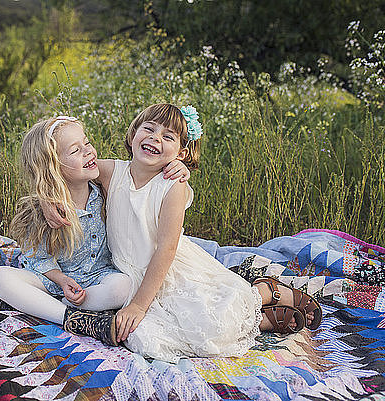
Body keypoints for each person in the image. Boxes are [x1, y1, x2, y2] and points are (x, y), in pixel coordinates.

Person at [44, 104, 322, 362]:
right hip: (128, 276)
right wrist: (46, 200)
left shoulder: (172, 186)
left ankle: (261, 296)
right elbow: (67, 170)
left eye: (168, 137)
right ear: (132, 135)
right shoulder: (110, 171)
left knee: (207, 323)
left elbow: (166, 249)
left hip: (168, 270)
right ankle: (259, 316)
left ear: (181, 153)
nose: (155, 139)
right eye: (149, 129)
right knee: (143, 338)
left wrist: (140, 306)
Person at [0, 116, 190, 346]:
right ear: (53, 166)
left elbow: (143, 171)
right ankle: (69, 318)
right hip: (54, 280)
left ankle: (44, 305)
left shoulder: (103, 189)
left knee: (122, 288)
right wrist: (62, 280)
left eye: (87, 143)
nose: (89, 152)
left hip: (97, 279)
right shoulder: (46, 209)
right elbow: (38, 257)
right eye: (76, 150)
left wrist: (179, 165)